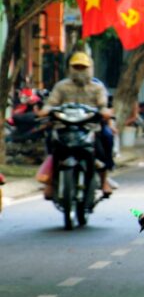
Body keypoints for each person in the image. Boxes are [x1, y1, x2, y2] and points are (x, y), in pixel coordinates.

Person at [39, 52, 113, 198]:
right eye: (76, 67)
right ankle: (49, 183)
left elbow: (103, 105)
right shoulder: (61, 86)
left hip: (90, 127)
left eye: (83, 67)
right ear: (70, 68)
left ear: (89, 68)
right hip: (64, 126)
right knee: (50, 141)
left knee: (107, 137)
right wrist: (45, 111)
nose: (80, 70)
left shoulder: (97, 88)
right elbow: (51, 103)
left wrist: (105, 112)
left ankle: (105, 181)